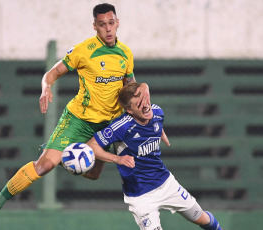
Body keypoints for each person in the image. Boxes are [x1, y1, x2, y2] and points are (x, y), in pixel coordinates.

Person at [0, 3, 150, 229]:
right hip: (79, 119)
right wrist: (46, 87)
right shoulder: (83, 50)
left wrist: (141, 87)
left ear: (117, 23)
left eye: (111, 23)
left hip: (108, 124)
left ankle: (65, 157)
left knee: (94, 173)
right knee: (43, 167)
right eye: (102, 24)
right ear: (94, 26)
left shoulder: (125, 53)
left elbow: (129, 87)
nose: (108, 29)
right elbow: (52, 73)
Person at [87, 82, 225, 230]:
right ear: (129, 110)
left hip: (166, 183)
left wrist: (160, 133)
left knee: (202, 219)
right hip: (141, 196)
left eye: (144, 99)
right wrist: (117, 159)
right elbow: (91, 146)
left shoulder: (157, 112)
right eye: (138, 104)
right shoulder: (122, 126)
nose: (145, 105)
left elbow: (153, 123)